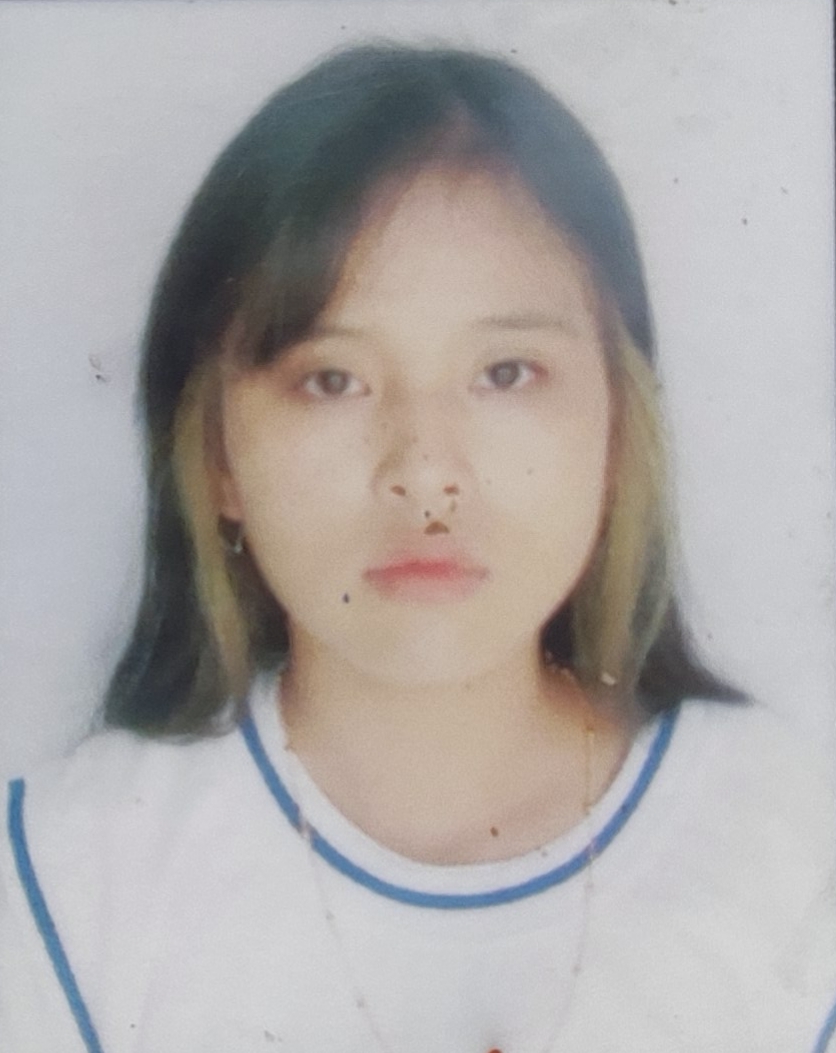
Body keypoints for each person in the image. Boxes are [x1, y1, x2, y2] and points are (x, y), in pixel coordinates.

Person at [0, 43, 832, 1053]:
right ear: (216, 454)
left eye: (506, 372)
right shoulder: (62, 885)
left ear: (617, 426)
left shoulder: (792, 854)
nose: (426, 471)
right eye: (332, 380)